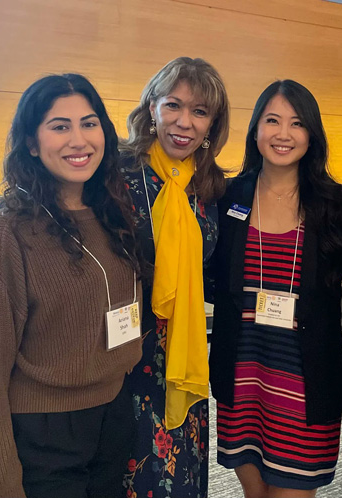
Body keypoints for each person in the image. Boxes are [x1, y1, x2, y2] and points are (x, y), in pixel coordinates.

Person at [0, 73, 143, 498]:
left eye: (89, 123)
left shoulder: (111, 215)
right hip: (43, 433)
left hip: (111, 418)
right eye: (60, 126)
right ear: (32, 144)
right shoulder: (4, 234)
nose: (79, 140)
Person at [209, 79, 342, 497]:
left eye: (297, 123)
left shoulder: (337, 204)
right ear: (256, 129)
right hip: (243, 377)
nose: (283, 133)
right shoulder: (228, 196)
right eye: (272, 120)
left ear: (311, 135)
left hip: (306, 385)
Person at [120, 57, 230, 498]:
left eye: (199, 112)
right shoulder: (117, 174)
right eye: (173, 106)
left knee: (180, 475)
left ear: (211, 124)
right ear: (152, 107)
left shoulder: (209, 187)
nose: (185, 122)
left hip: (183, 351)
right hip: (126, 353)